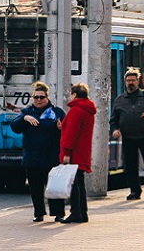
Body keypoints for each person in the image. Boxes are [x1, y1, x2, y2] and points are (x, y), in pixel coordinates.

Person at [10, 82, 66, 223]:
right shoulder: (27, 112)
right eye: (36, 97)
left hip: (52, 157)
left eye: (41, 97)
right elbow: (15, 127)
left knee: (54, 188)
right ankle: (38, 213)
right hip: (32, 158)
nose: (39, 100)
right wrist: (24, 118)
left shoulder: (56, 112)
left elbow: (68, 130)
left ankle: (58, 213)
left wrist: (61, 128)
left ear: (47, 98)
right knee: (35, 188)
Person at [110, 68, 144, 200]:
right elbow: (113, 120)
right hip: (128, 137)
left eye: (133, 80)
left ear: (138, 81)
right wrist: (115, 130)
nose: (131, 83)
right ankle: (135, 191)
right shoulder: (120, 100)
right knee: (130, 166)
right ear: (125, 82)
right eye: (128, 80)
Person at [58, 82, 96, 224]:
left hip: (74, 153)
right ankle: (82, 212)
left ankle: (76, 212)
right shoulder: (88, 110)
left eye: (70, 94)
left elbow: (72, 134)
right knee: (80, 183)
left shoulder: (75, 110)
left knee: (74, 185)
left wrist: (67, 152)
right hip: (83, 151)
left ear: (74, 95)